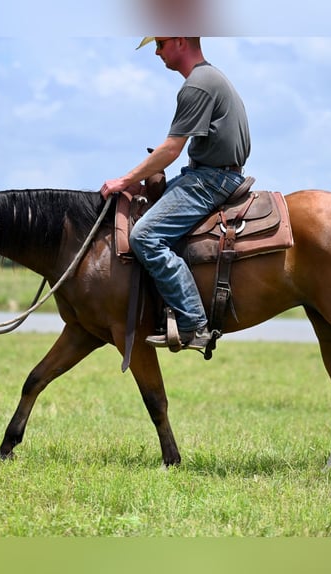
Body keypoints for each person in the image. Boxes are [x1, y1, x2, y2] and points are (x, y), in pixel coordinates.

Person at [100, 37, 251, 351]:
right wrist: (144, 184)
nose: (156, 52)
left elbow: (171, 149)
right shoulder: (211, 78)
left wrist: (122, 180)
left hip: (210, 179)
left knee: (145, 237)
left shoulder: (197, 85)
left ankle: (194, 323)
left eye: (161, 43)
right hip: (210, 172)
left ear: (181, 40)